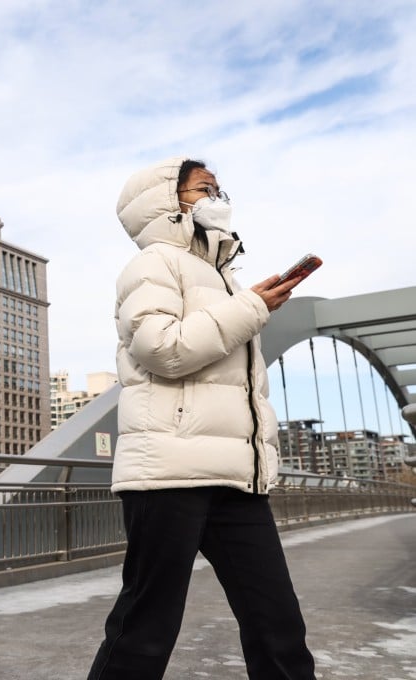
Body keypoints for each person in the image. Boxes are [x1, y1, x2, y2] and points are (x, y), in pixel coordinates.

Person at [86, 157, 316, 679]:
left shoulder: (223, 278)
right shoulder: (153, 266)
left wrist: (249, 302)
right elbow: (163, 350)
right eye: (202, 188)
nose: (216, 197)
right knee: (146, 627)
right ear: (167, 202)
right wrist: (252, 308)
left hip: (236, 476)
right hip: (167, 473)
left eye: (218, 188)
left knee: (277, 622)